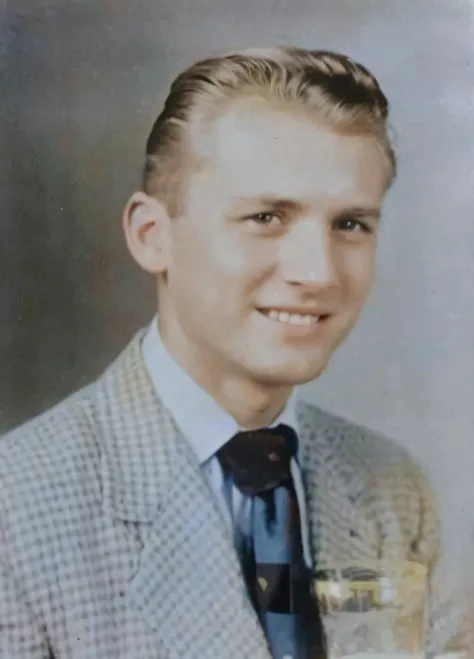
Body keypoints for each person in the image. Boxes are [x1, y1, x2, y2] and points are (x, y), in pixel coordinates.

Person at [0, 46, 468, 659]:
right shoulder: (16, 513)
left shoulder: (393, 490)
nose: (318, 272)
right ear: (152, 236)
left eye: (350, 224)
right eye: (267, 217)